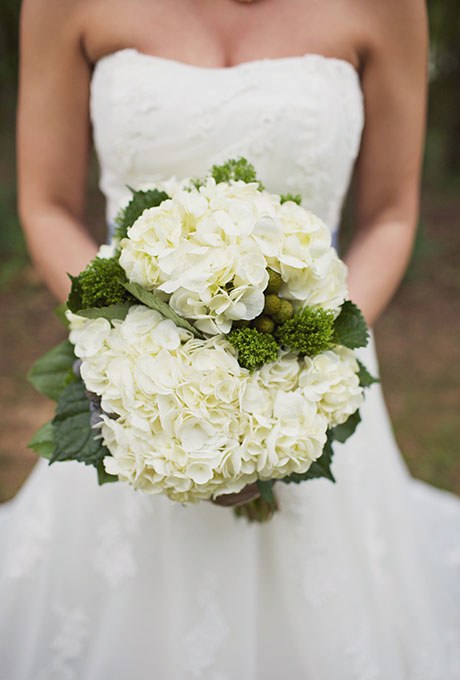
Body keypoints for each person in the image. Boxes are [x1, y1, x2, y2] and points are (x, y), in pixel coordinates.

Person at [1, 0, 459, 677]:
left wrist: (307, 355)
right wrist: (134, 341)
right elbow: (46, 205)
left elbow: (391, 214)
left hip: (310, 366)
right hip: (136, 388)